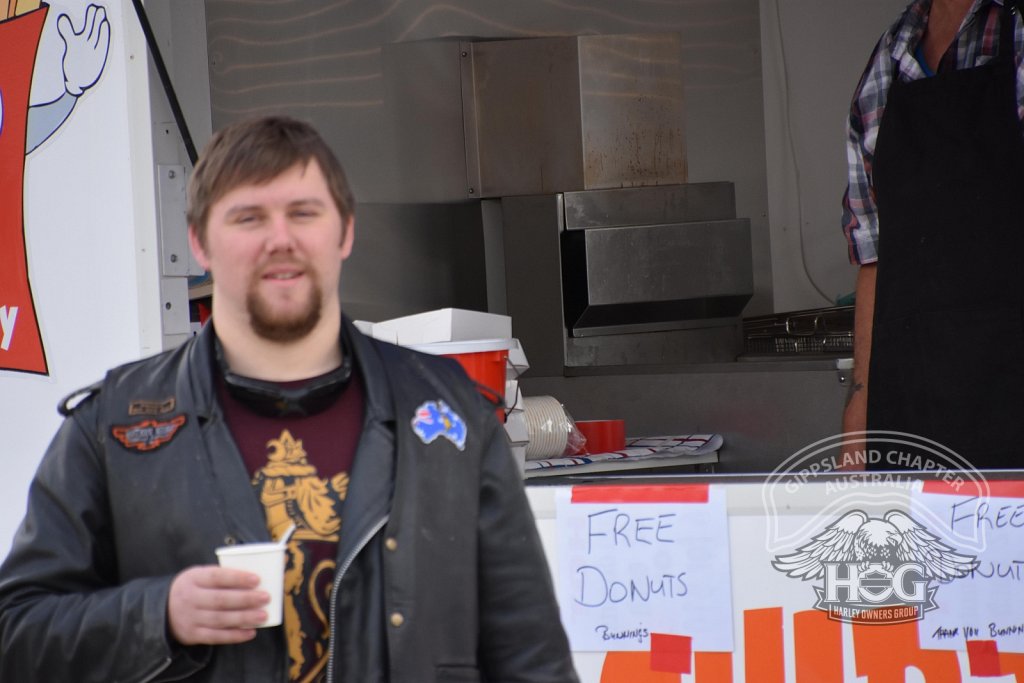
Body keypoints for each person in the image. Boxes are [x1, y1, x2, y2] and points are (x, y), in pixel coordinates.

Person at [0, 115, 579, 682]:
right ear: (199, 242)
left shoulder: (451, 414)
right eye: (248, 217)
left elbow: (532, 655)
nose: (280, 239)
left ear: (345, 231)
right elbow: (15, 635)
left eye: (303, 213)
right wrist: (160, 615)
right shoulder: (114, 426)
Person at [841, 0, 1024, 470]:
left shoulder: (1016, 30)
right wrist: (859, 410)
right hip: (907, 413)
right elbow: (873, 254)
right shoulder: (890, 56)